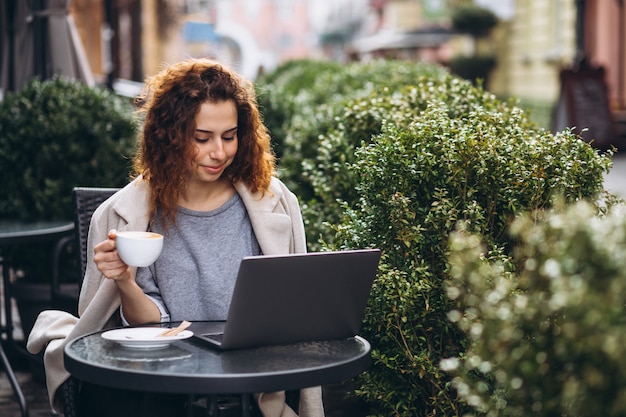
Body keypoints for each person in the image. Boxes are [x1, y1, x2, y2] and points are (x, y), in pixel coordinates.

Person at [27, 58, 324, 417]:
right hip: (160, 377)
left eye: (229, 136)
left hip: (250, 376)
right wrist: (124, 280)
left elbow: (295, 307)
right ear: (170, 136)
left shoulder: (274, 203)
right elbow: (149, 322)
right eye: (202, 138)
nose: (219, 152)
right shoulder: (126, 214)